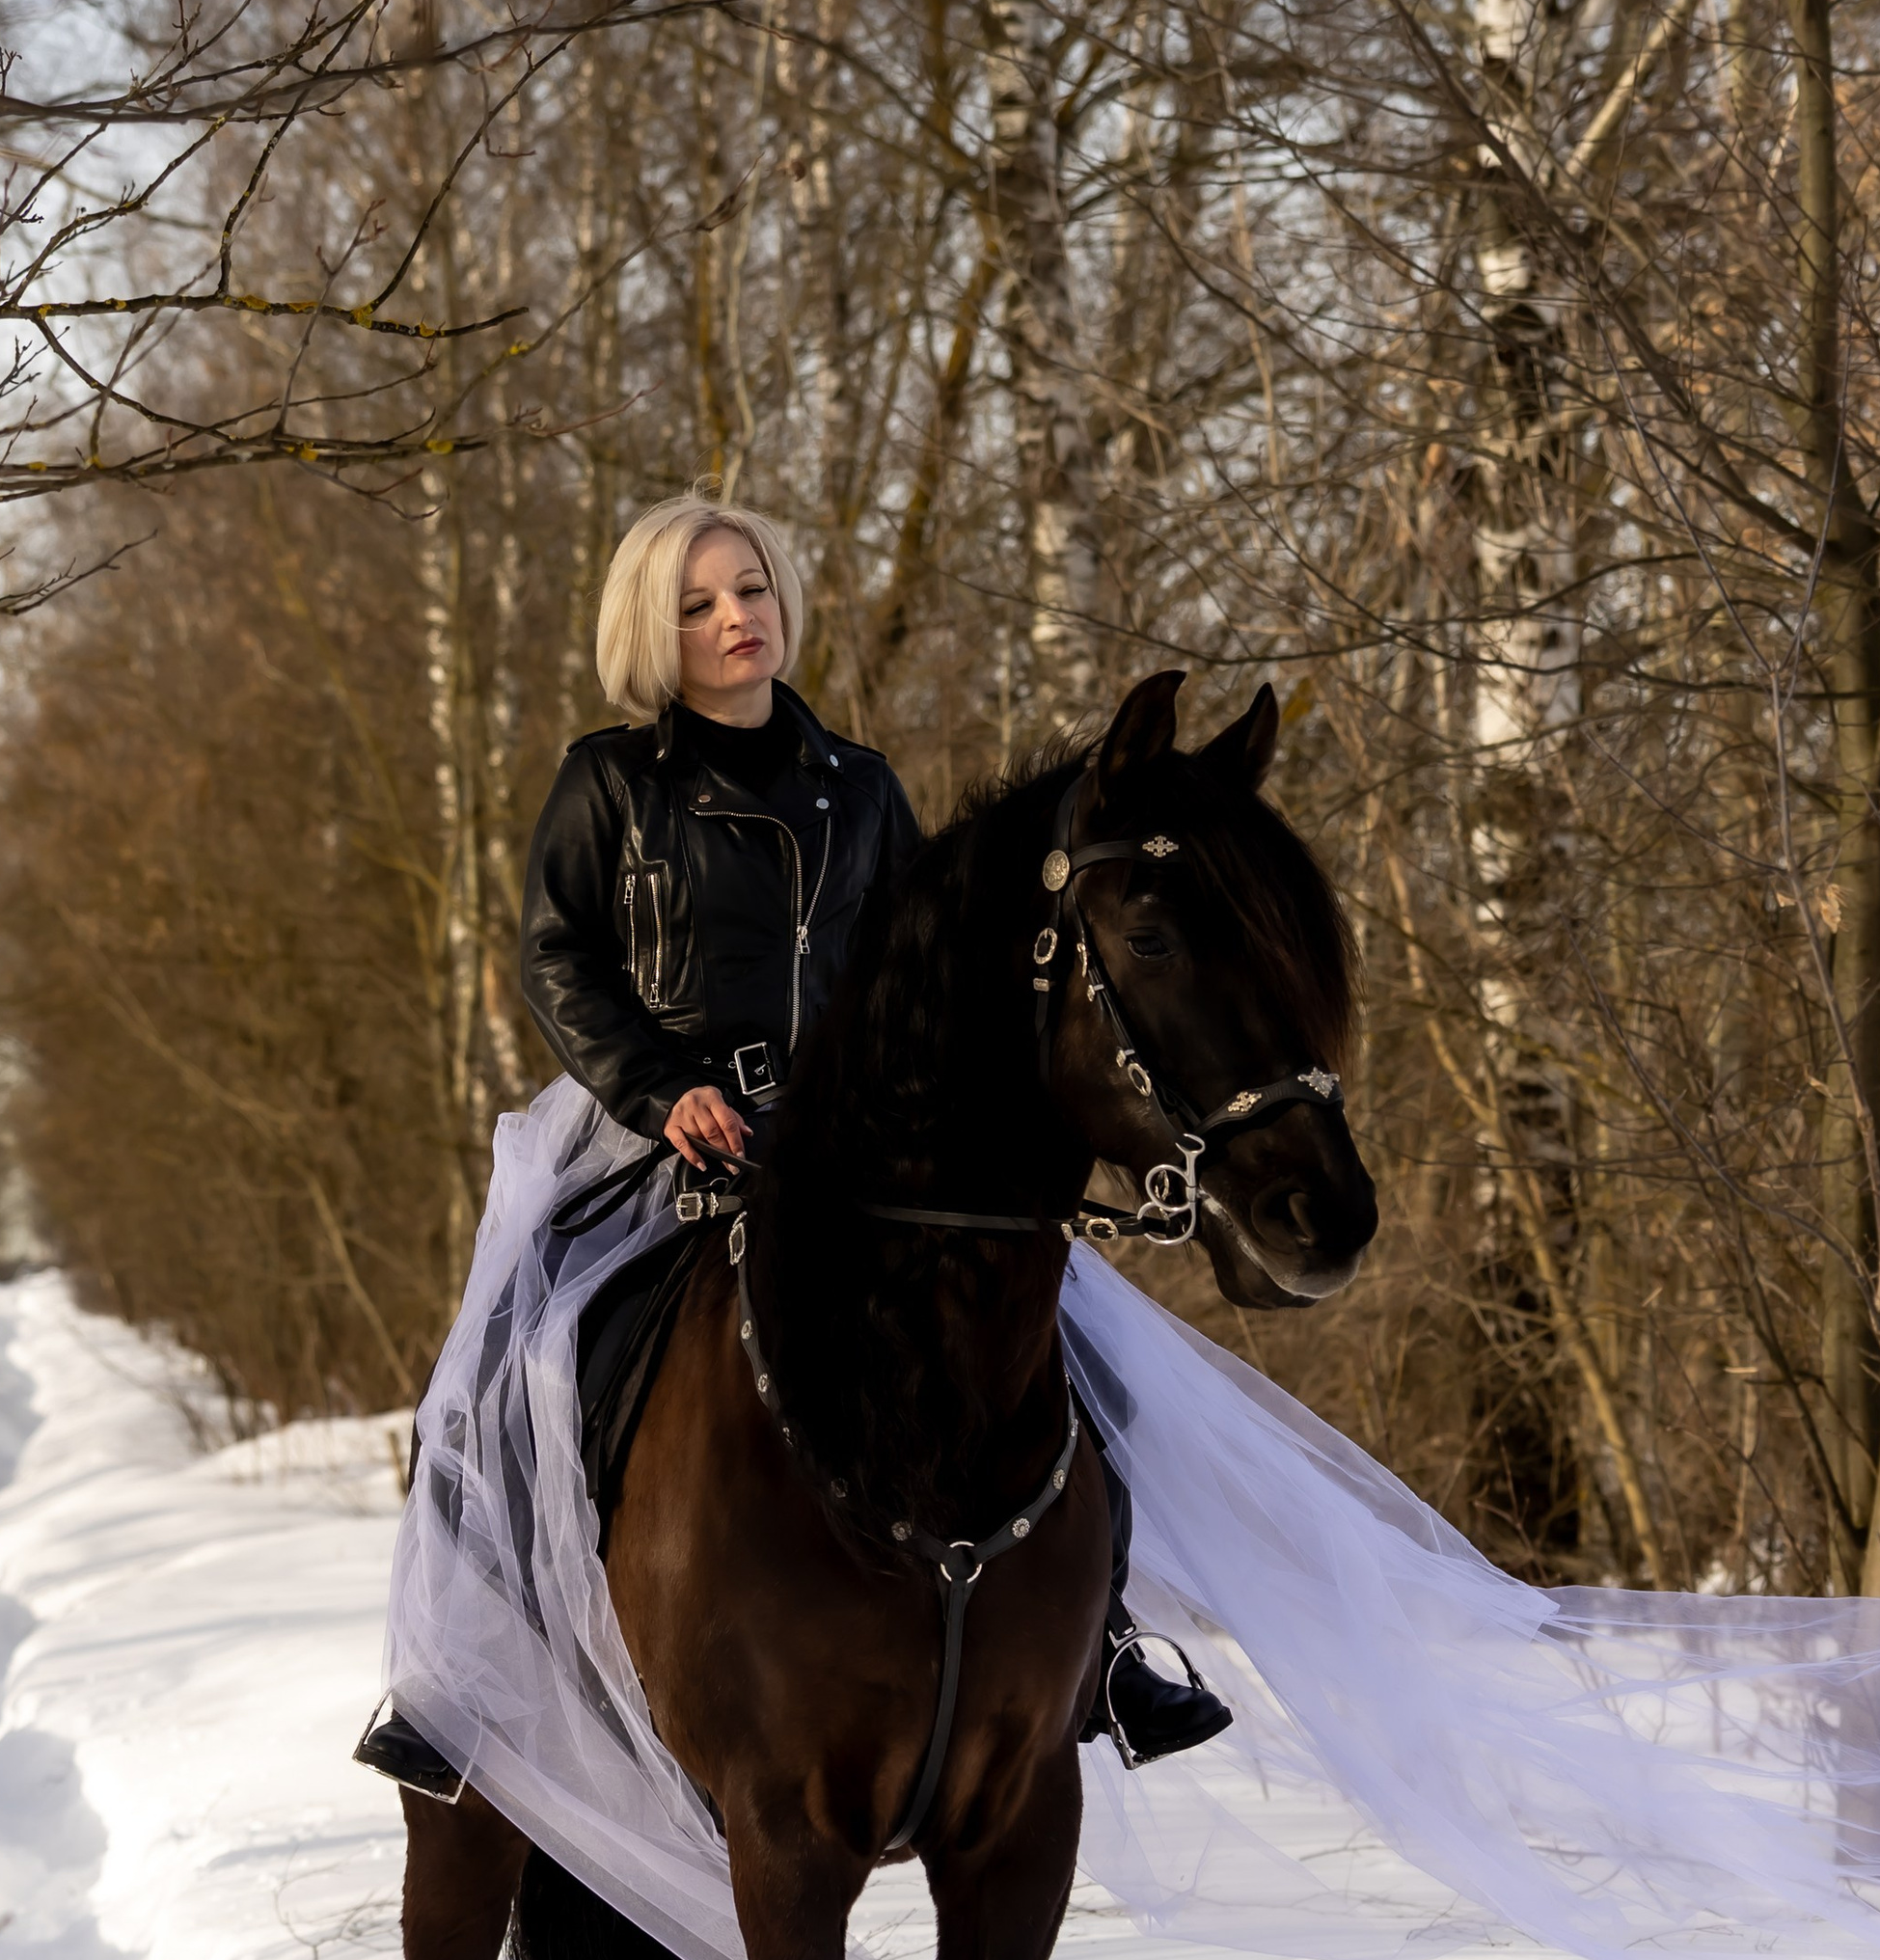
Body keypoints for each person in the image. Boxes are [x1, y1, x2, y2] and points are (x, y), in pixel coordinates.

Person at [358, 492, 1229, 1800]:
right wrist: (663, 1089)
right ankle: (469, 1681)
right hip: (659, 1134)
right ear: (654, 629)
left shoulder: (861, 787)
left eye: (751, 589)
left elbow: (922, 976)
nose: (735, 618)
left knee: (1085, 1354)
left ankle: (1103, 1646)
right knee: (508, 1368)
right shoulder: (609, 782)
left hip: (853, 1144)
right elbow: (558, 961)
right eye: (698, 603)